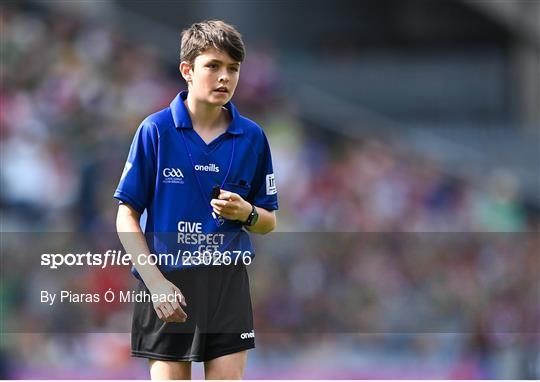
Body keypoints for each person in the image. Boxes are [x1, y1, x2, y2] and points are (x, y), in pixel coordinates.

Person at [114, 20, 278, 380]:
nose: (225, 77)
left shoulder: (252, 137)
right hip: (168, 280)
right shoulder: (155, 130)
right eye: (213, 66)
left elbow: (268, 221)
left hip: (227, 283)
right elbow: (125, 216)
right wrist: (155, 284)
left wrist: (247, 213)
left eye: (233, 68)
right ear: (187, 70)